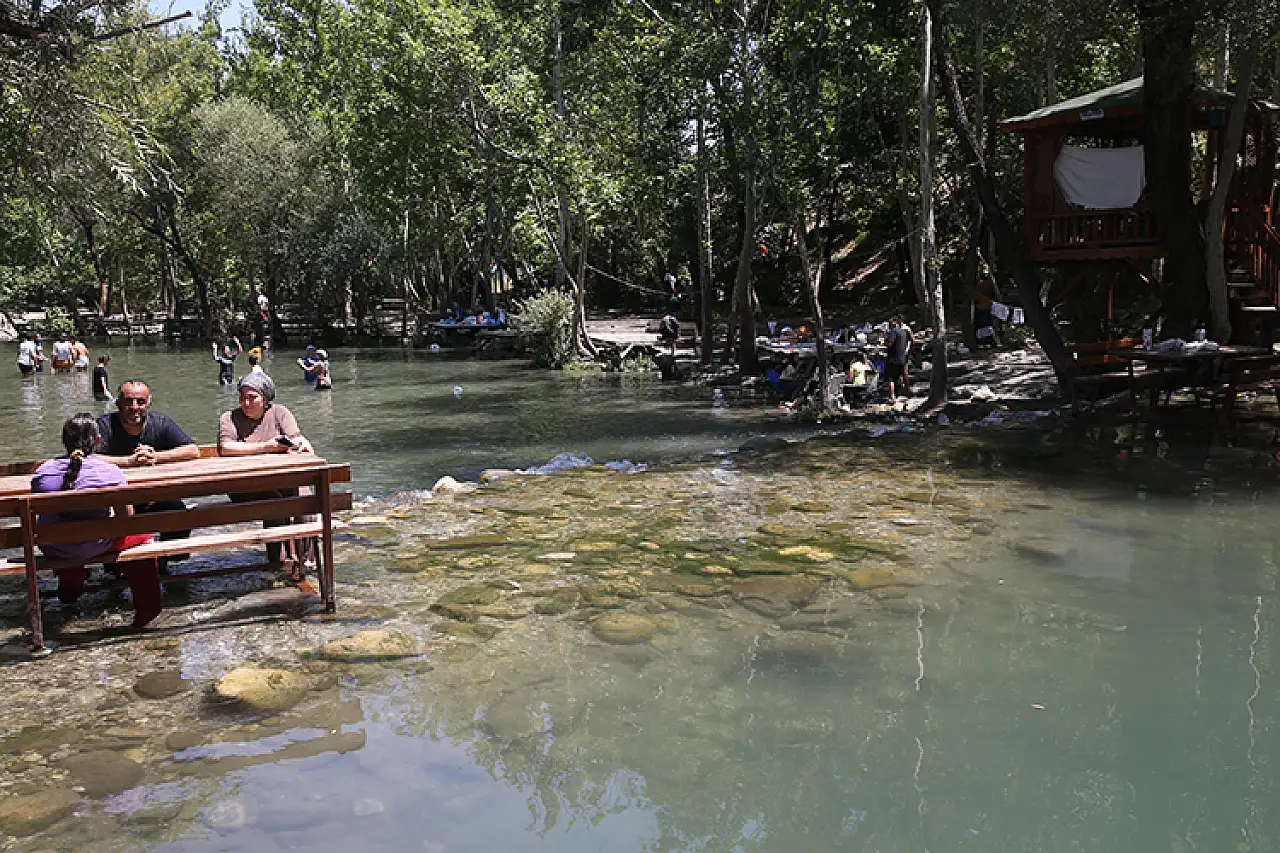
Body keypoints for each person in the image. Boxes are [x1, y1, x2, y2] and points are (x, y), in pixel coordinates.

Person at [30, 414, 163, 627]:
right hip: (95, 545)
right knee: (144, 538)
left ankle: (70, 590)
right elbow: (126, 520)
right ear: (98, 441)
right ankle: (148, 609)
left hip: (54, 547)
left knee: (66, 535)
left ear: (64, 441)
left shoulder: (42, 473)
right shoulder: (110, 472)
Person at [217, 373, 315, 569]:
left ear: (265, 399)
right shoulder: (229, 418)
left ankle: (306, 560)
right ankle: (278, 560)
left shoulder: (280, 413)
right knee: (275, 501)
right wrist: (267, 447)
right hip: (245, 485)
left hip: (283, 479)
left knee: (305, 497)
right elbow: (226, 448)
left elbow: (297, 438)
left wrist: (303, 446)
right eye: (242, 397)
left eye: (252, 397)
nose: (246, 402)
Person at [96, 380, 201, 554]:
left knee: (180, 514)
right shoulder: (104, 426)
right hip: (117, 501)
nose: (134, 407)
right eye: (128, 401)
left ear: (149, 404)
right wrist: (129, 461)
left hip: (155, 495)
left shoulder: (161, 423)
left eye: (140, 402)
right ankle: (117, 566)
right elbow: (87, 458)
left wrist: (156, 457)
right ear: (118, 403)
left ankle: (165, 559)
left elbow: (192, 450)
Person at [884, 317, 912, 401]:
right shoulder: (904, 332)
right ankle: (907, 392)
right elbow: (910, 341)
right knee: (902, 376)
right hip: (903, 358)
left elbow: (890, 343)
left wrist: (885, 342)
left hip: (893, 359)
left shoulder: (894, 331)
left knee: (891, 378)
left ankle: (892, 396)